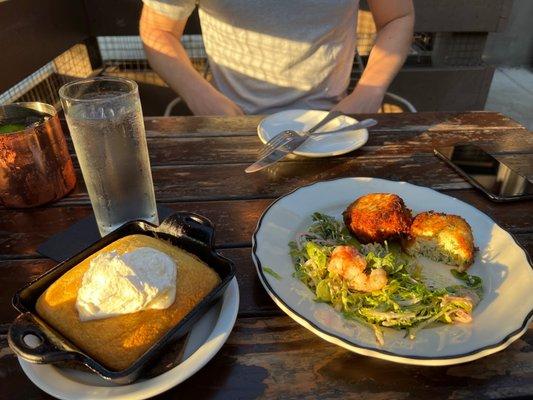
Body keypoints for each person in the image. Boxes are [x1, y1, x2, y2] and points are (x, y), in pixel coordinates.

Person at [140, 0, 414, 116]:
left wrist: (369, 91)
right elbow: (158, 30)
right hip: (231, 122)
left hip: (328, 121)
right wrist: (200, 95)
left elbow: (397, 17)